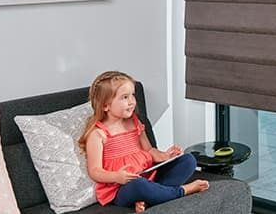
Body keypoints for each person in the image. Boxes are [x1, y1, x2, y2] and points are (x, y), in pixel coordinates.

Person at [78, 71, 209, 213]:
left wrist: (166, 156)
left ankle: (150, 198)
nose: (132, 101)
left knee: (188, 160)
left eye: (132, 95)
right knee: (139, 185)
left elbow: (149, 151)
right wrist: (117, 176)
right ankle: (181, 191)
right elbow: (95, 171)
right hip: (120, 188)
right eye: (124, 97)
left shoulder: (135, 122)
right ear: (105, 106)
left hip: (149, 176)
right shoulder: (98, 134)